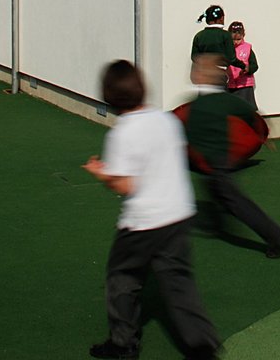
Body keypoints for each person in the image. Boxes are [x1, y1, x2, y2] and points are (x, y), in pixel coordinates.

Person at [82, 60, 219, 360]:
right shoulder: (165, 119)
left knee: (122, 278)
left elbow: (125, 186)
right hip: (179, 214)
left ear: (109, 96)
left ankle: (123, 344)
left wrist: (100, 171)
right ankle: (203, 345)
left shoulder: (123, 132)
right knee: (179, 284)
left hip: (143, 224)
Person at [182, 54, 280, 259]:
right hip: (216, 164)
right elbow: (252, 116)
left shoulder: (196, 106)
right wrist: (262, 135)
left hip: (214, 166)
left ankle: (278, 239)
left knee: (238, 204)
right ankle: (217, 224)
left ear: (201, 78)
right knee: (218, 194)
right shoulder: (225, 101)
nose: (193, 73)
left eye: (196, 70)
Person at [191, 5, 245, 71]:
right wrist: (243, 66)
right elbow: (232, 59)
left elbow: (194, 57)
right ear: (221, 18)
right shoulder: (225, 35)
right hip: (218, 74)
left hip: (202, 73)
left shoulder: (198, 36)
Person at [225, 21, 259, 110]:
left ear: (243, 35)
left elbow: (254, 65)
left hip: (244, 85)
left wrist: (248, 69)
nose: (235, 42)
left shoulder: (247, 48)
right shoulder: (226, 48)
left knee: (246, 109)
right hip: (230, 85)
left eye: (238, 40)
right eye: (233, 40)